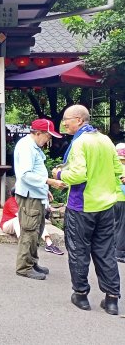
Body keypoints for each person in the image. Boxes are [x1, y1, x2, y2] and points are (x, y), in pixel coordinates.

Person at [52, 105, 122, 314]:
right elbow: (118, 169)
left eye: (67, 119)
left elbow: (78, 175)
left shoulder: (80, 142)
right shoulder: (106, 139)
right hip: (106, 205)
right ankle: (111, 300)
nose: (64, 123)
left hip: (82, 206)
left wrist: (58, 174)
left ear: (80, 120)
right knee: (106, 251)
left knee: (78, 250)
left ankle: (81, 295)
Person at [13, 118, 65, 280]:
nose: (49, 140)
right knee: (29, 231)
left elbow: (36, 173)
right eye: (48, 136)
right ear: (38, 133)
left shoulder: (33, 146)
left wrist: (45, 189)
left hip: (36, 194)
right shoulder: (26, 147)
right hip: (29, 196)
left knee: (37, 230)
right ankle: (24, 266)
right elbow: (26, 175)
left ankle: (32, 261)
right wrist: (50, 182)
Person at [0, 188, 64, 255]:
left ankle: (49, 244)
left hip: (22, 222)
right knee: (18, 219)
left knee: (37, 220)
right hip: (7, 225)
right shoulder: (11, 201)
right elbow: (21, 216)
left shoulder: (24, 201)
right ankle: (23, 243)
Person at [115, 143, 125, 263]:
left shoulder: (113, 164)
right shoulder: (122, 166)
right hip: (122, 199)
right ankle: (120, 252)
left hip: (114, 198)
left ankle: (114, 250)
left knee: (116, 225)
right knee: (122, 227)